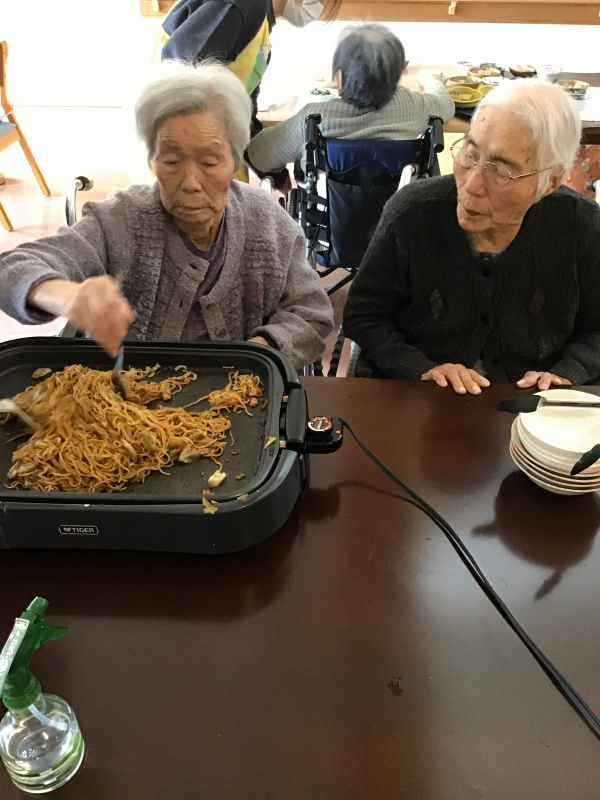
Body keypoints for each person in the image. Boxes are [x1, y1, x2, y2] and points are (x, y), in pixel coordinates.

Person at [0, 61, 334, 369]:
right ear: (152, 161)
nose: (190, 183)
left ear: (234, 161)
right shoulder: (123, 220)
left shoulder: (268, 224)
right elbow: (11, 270)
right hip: (125, 407)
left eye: (208, 163)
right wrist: (68, 296)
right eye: (171, 162)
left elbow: (311, 312)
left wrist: (256, 354)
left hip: (238, 403)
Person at [343, 79, 600, 394]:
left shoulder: (583, 228)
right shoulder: (412, 213)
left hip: (535, 411)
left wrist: (566, 373)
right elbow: (364, 315)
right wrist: (422, 369)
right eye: (469, 153)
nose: (472, 185)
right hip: (423, 401)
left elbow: (597, 330)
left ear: (550, 182)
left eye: (501, 171)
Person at [161, 0, 339, 189]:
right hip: (188, 164)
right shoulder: (244, 5)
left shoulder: (260, 29)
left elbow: (244, 116)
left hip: (217, 154)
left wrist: (274, 175)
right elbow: (179, 74)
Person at [246, 23, 455, 174]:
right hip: (396, 222)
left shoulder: (313, 118)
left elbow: (257, 155)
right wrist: (431, 81)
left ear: (339, 79)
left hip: (328, 225)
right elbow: (447, 105)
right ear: (398, 77)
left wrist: (279, 174)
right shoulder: (413, 106)